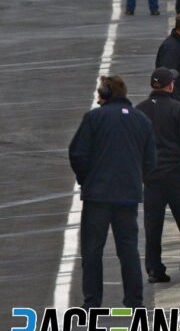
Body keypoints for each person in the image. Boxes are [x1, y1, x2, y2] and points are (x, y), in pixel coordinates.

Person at [68, 75, 156, 308]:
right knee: (128, 249)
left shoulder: (94, 118)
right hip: (128, 196)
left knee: (92, 251)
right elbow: (151, 161)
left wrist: (86, 179)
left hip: (97, 196)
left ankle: (92, 302)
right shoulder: (142, 121)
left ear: (106, 94)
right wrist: (135, 180)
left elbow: (77, 154)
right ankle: (134, 300)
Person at [137, 68, 180, 285]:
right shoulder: (178, 109)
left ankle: (154, 270)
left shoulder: (140, 110)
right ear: (170, 85)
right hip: (177, 176)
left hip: (152, 178)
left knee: (153, 226)